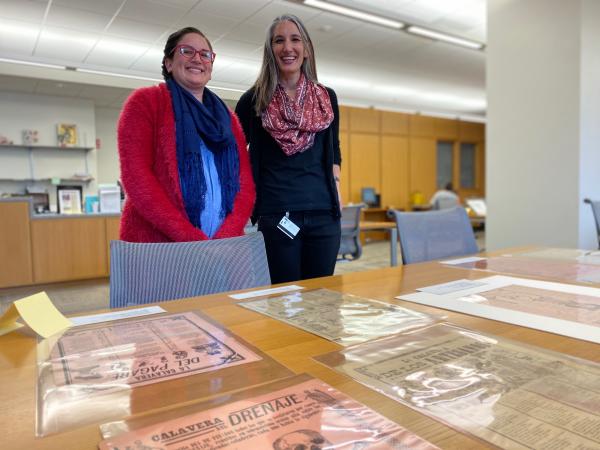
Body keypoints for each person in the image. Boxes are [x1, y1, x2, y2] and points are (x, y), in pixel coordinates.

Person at [118, 27, 255, 242]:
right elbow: (137, 179)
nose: (197, 59)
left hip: (221, 246)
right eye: (187, 51)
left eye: (205, 54)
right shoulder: (146, 103)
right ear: (169, 63)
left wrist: (226, 236)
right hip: (162, 244)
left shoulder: (227, 119)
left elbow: (245, 184)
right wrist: (191, 239)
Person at [235, 14, 342, 284]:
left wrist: (336, 187)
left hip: (324, 215)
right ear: (270, 50)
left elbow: (334, 151)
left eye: (295, 39)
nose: (287, 47)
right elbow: (234, 156)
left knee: (320, 301)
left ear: (306, 48)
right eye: (278, 41)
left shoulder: (326, 98)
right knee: (285, 300)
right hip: (276, 214)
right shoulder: (254, 100)